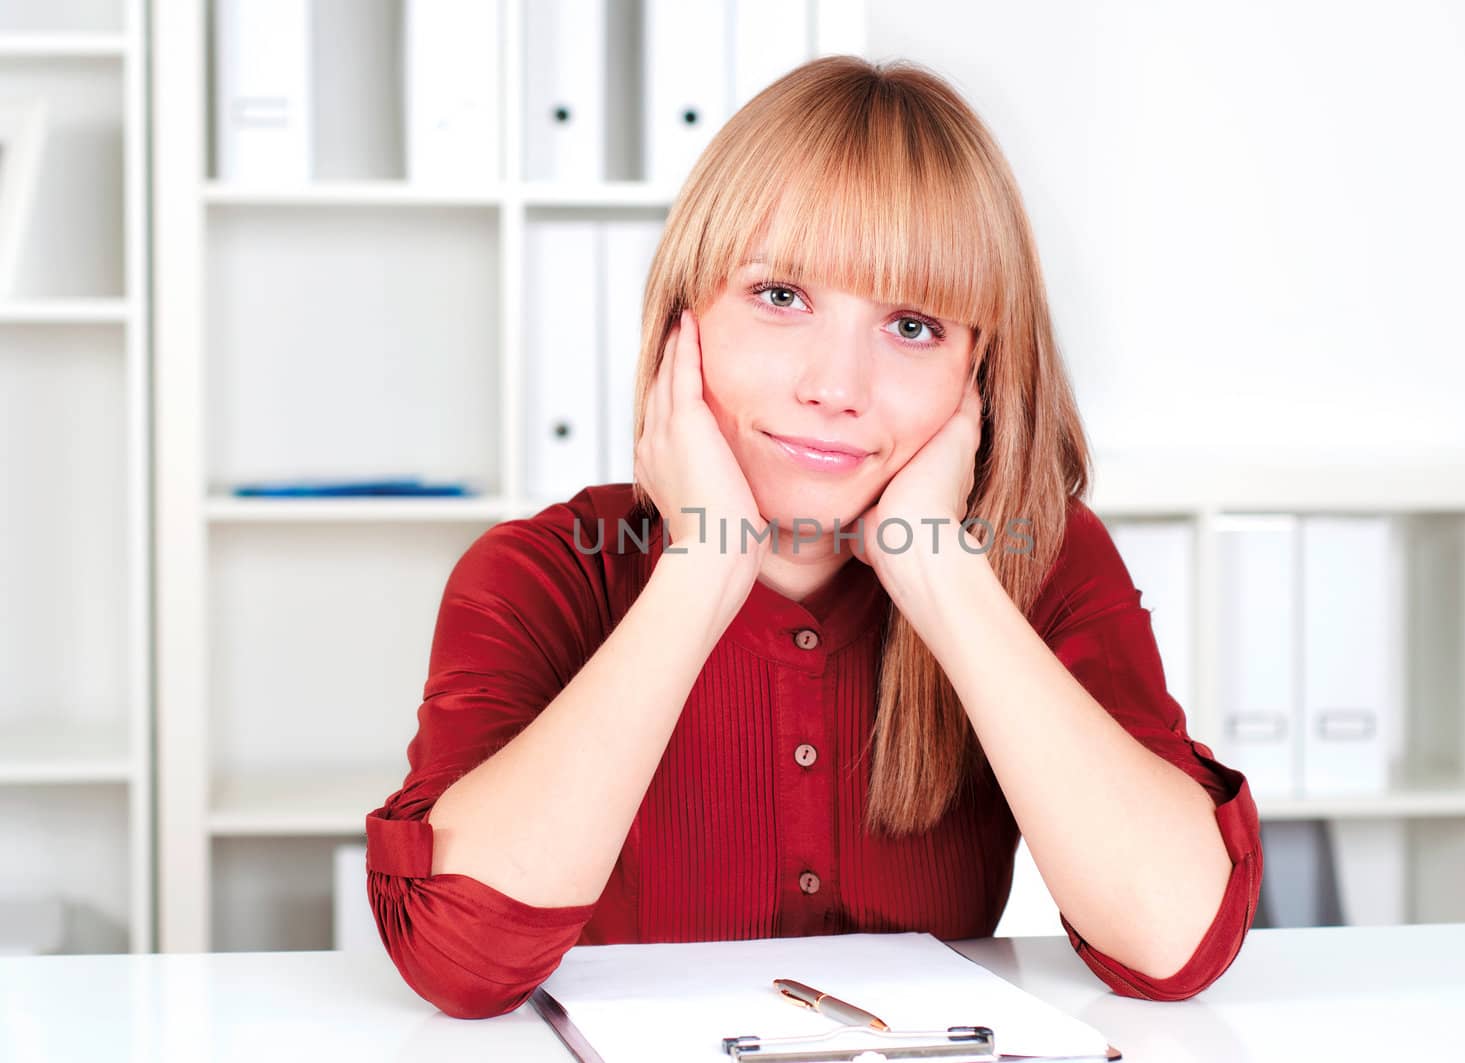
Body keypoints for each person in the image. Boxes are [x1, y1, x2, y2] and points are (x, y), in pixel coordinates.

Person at [365, 55, 1263, 1021]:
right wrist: (704, 567)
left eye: (912, 325)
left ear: (981, 371)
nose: (836, 386)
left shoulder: (1036, 560)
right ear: (683, 317)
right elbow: (460, 960)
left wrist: (939, 572)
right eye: (781, 296)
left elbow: (1173, 943)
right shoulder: (541, 575)